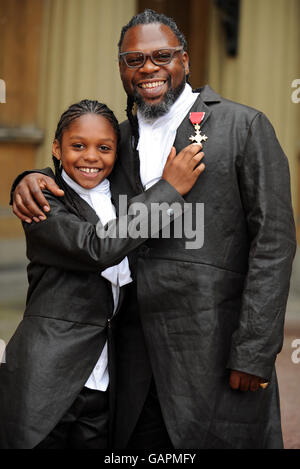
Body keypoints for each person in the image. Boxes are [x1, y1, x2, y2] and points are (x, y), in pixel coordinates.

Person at [11, 9, 296, 449]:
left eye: (161, 56)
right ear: (122, 68)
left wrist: (255, 349)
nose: (148, 68)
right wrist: (28, 178)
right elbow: (79, 181)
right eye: (133, 59)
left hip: (213, 354)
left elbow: (273, 244)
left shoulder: (243, 127)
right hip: (133, 361)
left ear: (184, 60)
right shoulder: (116, 139)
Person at [0, 98, 204, 449]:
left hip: (105, 381)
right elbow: (98, 247)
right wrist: (169, 190)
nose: (91, 157)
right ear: (57, 148)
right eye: (77, 146)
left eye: (104, 148)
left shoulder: (122, 195)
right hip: (46, 378)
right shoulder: (44, 200)